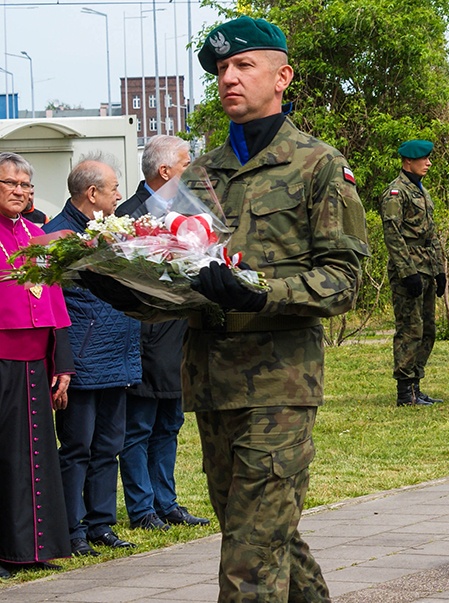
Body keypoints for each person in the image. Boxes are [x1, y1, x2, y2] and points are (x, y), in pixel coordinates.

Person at [79, 17, 369, 601]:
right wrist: (129, 294)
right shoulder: (202, 174)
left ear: (282, 76)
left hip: (277, 388)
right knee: (262, 538)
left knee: (249, 561)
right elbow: (181, 281)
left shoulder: (317, 166)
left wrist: (262, 293)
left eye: (243, 66)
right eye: (220, 70)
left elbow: (344, 282)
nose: (228, 78)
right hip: (212, 385)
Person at [44, 154, 142, 558]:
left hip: (118, 353)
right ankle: (72, 527)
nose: (120, 194)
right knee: (77, 447)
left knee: (109, 444)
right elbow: (54, 306)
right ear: (92, 193)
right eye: (115, 188)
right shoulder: (58, 237)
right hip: (83, 358)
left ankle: (102, 522)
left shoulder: (111, 230)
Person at [115, 135, 209, 531]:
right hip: (143, 338)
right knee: (138, 427)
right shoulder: (129, 215)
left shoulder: (190, 210)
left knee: (170, 423)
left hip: (180, 336)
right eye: (187, 163)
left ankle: (166, 502)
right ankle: (142, 509)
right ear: (165, 170)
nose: (193, 170)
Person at [0, 152, 74, 577]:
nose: (20, 191)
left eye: (26, 185)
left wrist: (61, 362)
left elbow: (54, 299)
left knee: (34, 458)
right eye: (11, 183)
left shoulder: (36, 234)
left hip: (33, 359)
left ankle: (30, 548)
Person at [380, 139, 446, 407]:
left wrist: (440, 270)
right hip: (409, 270)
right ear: (408, 161)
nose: (428, 163)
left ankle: (416, 385)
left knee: (427, 329)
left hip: (427, 268)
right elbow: (393, 236)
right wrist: (408, 272)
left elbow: (432, 234)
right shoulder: (396, 193)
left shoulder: (422, 192)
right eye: (424, 159)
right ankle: (405, 390)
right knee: (410, 329)